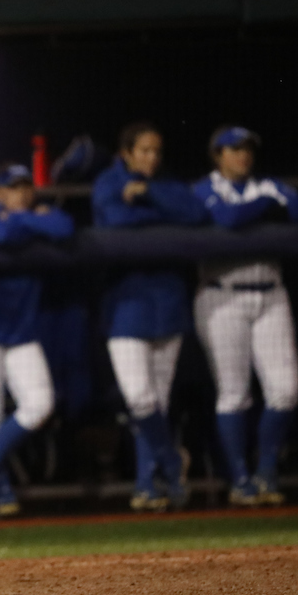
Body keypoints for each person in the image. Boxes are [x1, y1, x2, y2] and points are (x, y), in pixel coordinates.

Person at [191, 126, 298, 506]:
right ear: (217, 155)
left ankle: (267, 472)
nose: (242, 155)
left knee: (286, 390)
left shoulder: (269, 184)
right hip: (221, 295)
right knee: (233, 393)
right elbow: (227, 218)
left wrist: (263, 206)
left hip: (271, 294)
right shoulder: (203, 189)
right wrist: (267, 207)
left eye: (247, 148)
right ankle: (239, 478)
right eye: (233, 149)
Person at [93, 121, 207, 511]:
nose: (151, 158)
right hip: (126, 307)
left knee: (157, 401)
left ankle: (148, 485)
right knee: (140, 401)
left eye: (156, 151)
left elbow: (194, 214)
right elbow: (114, 223)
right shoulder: (108, 183)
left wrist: (148, 195)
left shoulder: (167, 185)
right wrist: (161, 218)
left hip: (168, 305)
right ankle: (173, 463)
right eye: (143, 150)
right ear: (126, 152)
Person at [0, 163, 73, 518]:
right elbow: (0, 235)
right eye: (12, 188)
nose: (20, 193)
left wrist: (22, 220)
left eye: (25, 187)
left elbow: (64, 228)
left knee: (39, 404)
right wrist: (33, 223)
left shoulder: (36, 214)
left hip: (20, 332)